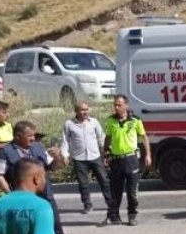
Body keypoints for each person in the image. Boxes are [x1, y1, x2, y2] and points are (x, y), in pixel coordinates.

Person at [0, 122, 76, 234]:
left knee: (55, 225)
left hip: (44, 194)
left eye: (34, 135)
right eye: (29, 135)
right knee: (25, 229)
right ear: (18, 136)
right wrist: (11, 195)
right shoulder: (5, 152)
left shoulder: (38, 147)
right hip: (21, 199)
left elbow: (52, 167)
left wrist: (57, 157)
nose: (33, 138)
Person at [103, 94, 151, 227]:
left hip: (131, 159)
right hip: (116, 160)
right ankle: (114, 215)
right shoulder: (110, 121)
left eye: (119, 105)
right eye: (115, 105)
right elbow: (107, 138)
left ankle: (132, 215)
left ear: (126, 105)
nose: (116, 107)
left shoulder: (135, 120)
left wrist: (148, 155)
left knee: (132, 191)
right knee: (115, 190)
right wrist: (105, 154)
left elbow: (144, 137)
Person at [60, 102, 110, 215]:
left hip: (95, 156)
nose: (85, 112)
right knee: (83, 183)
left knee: (104, 180)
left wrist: (105, 151)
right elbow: (65, 140)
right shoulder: (69, 124)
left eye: (86, 109)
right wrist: (65, 155)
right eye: (82, 110)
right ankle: (87, 205)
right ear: (76, 111)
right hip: (79, 158)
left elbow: (101, 137)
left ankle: (110, 203)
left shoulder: (94, 122)